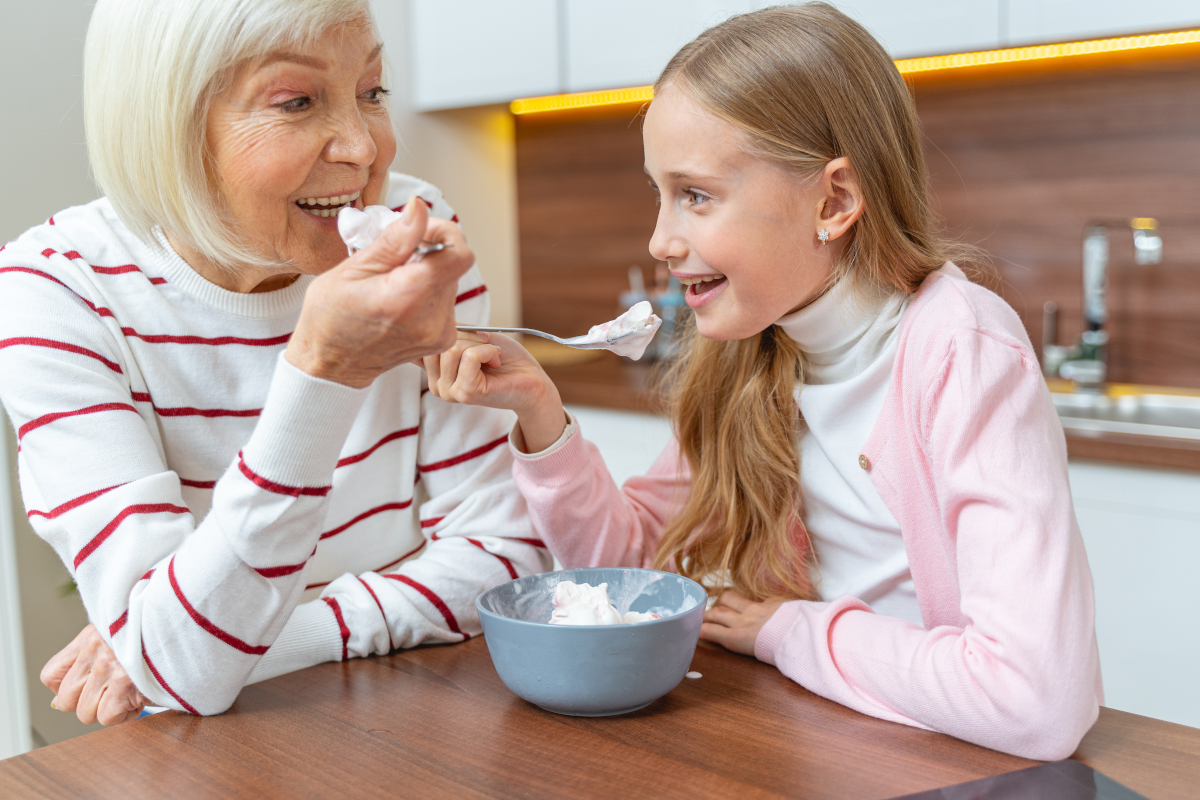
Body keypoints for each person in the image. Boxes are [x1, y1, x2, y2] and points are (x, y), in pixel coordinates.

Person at [424, 3, 1102, 760]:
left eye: (697, 195)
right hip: (831, 745)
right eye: (660, 192)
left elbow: (1034, 701)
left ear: (834, 201)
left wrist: (790, 629)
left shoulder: (961, 351)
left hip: (960, 764)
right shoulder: (751, 350)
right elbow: (628, 572)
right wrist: (539, 413)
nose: (661, 239)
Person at [0, 0, 550, 725]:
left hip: (410, 712)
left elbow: (508, 554)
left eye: (372, 92)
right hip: (212, 750)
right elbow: (180, 667)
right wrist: (324, 373)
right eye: (296, 101)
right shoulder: (56, 289)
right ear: (168, 124)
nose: (363, 148)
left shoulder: (414, 234)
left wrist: (247, 638)